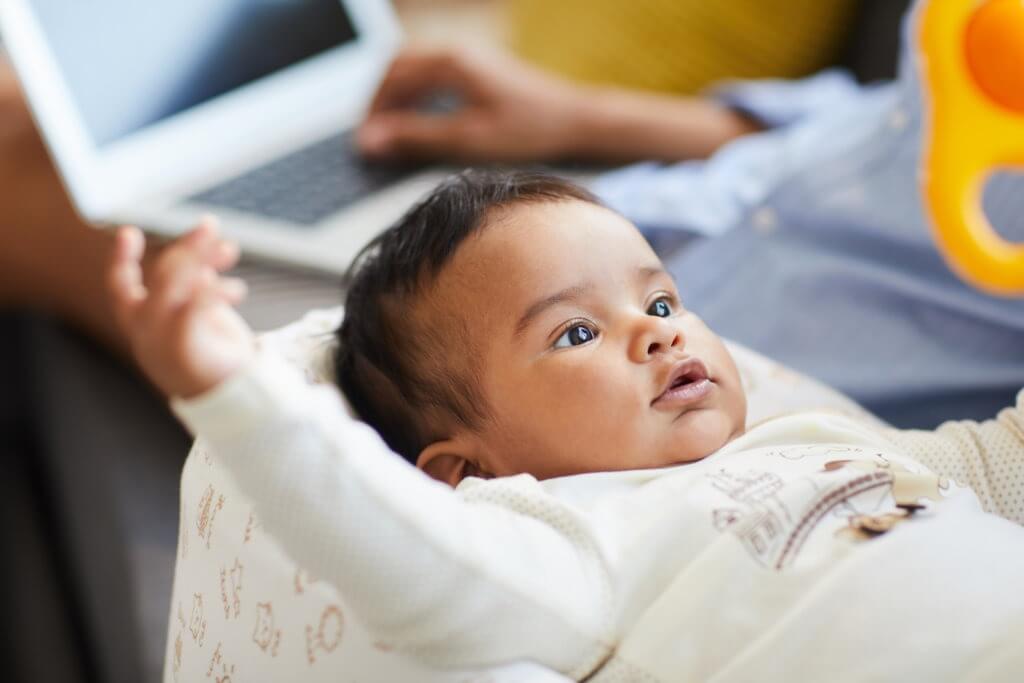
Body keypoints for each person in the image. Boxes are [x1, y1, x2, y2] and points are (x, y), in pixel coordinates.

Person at [110, 170, 1024, 680]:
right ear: (463, 472)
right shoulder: (577, 541)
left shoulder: (829, 437)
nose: (656, 329)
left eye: (661, 295)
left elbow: (1007, 456)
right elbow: (399, 552)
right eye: (576, 330)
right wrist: (234, 394)